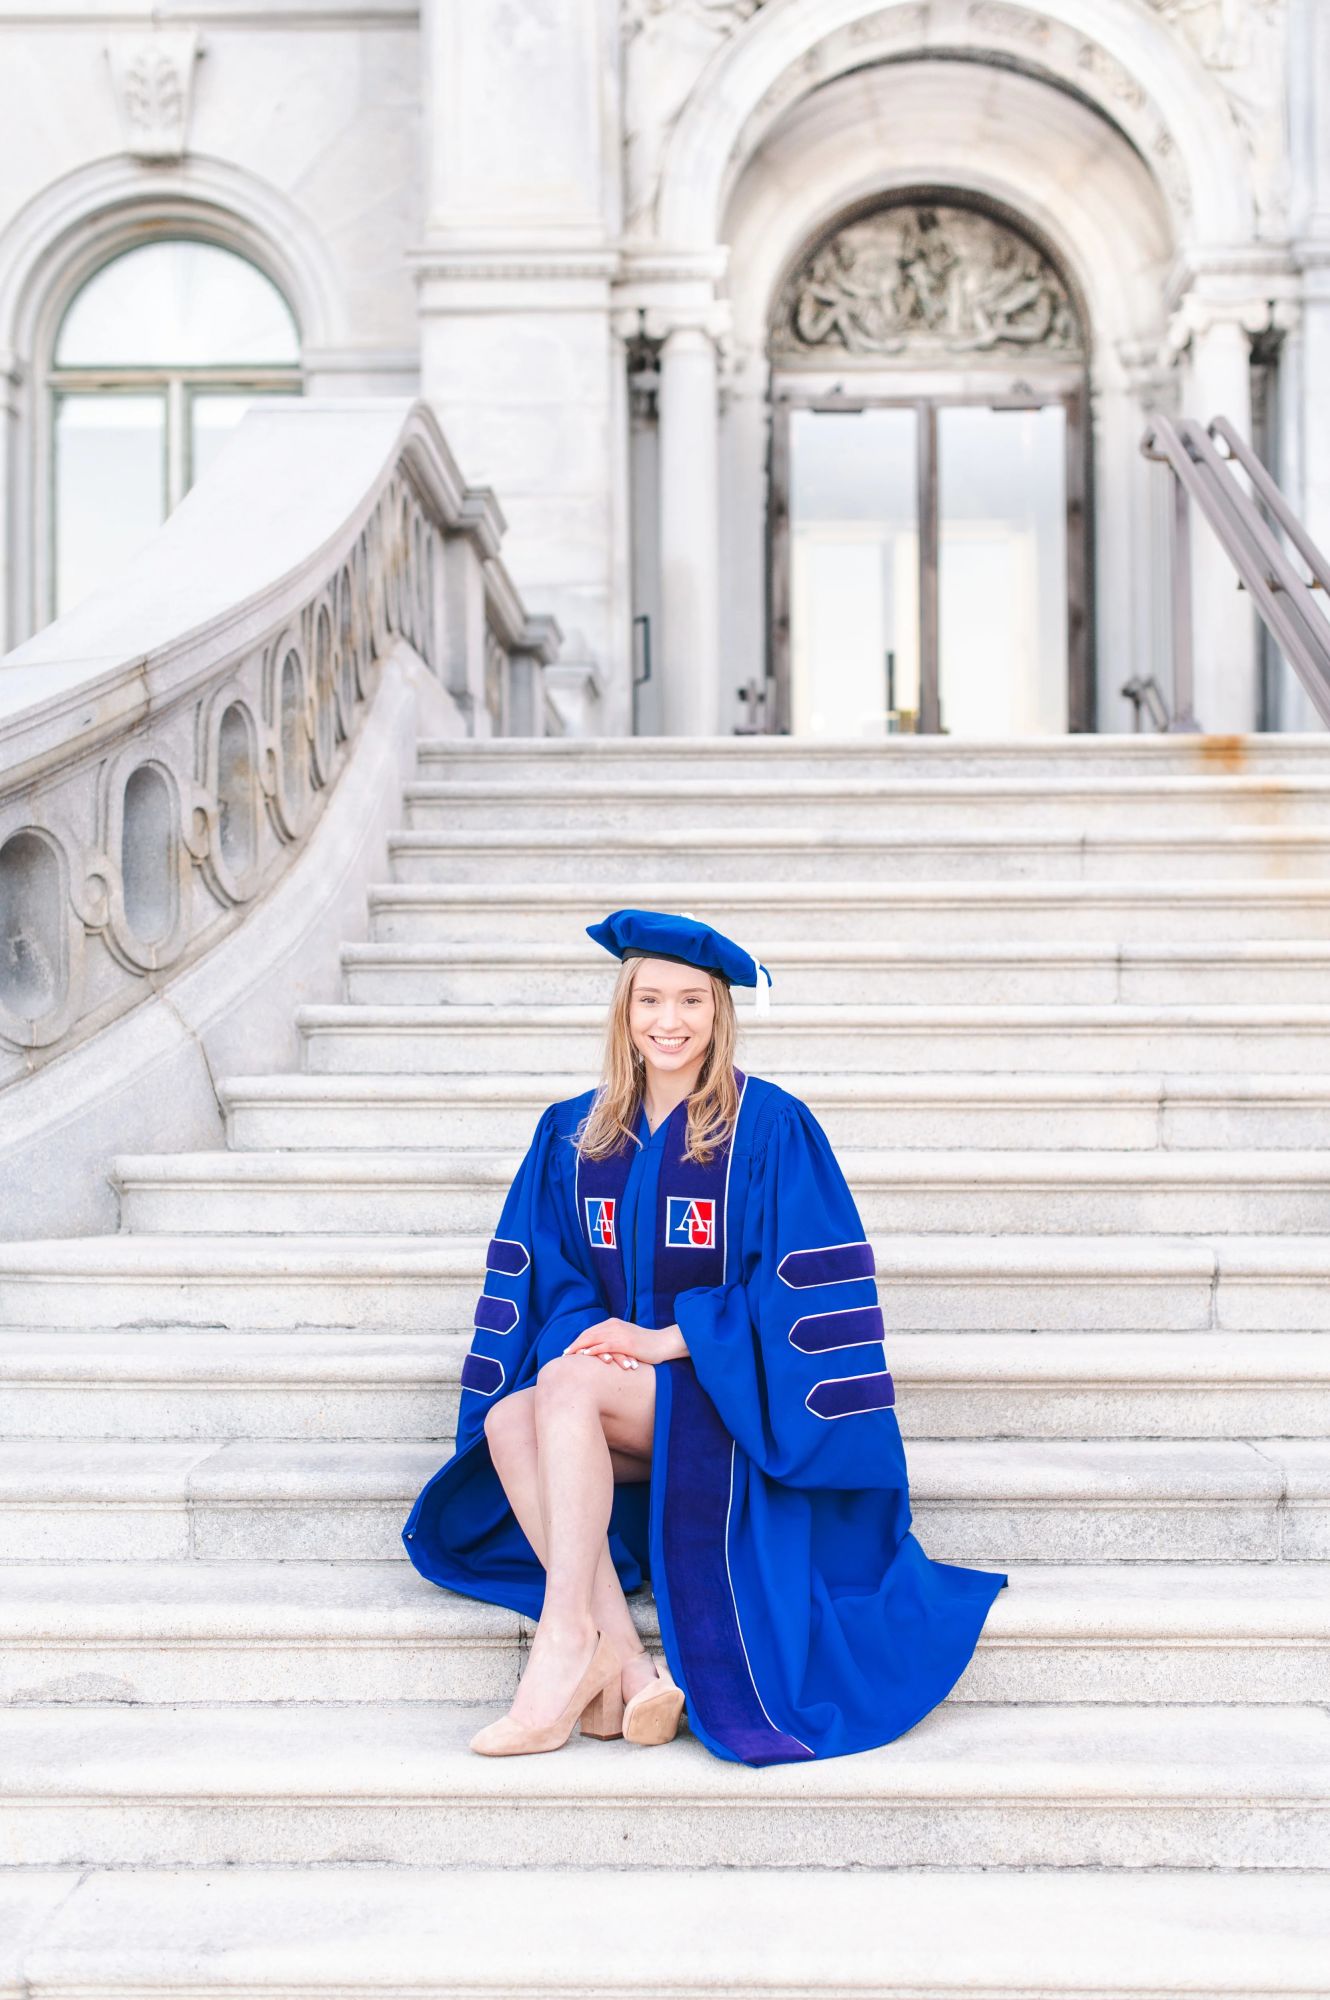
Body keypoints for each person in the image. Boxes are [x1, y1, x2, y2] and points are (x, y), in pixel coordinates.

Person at [402, 907, 1008, 1763]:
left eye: (691, 1001)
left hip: (735, 1397)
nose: (669, 1021)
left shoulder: (769, 1127)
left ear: (719, 1014)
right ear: (624, 1011)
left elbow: (799, 1290)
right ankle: (625, 1665)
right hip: (618, 1398)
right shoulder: (574, 1134)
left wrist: (666, 1340)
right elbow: (552, 1276)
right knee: (511, 1419)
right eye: (650, 999)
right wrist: (596, 1337)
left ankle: (565, 1643)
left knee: (565, 1389)